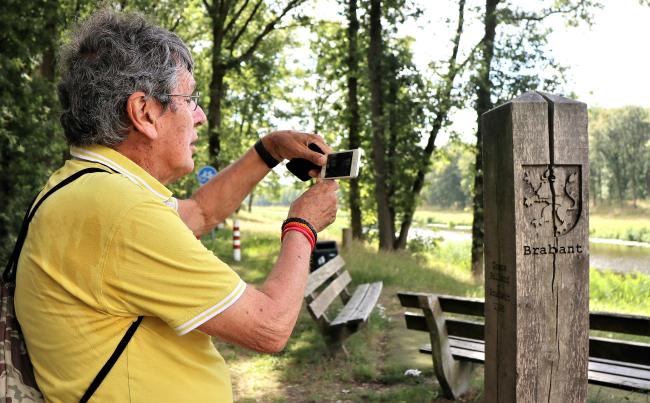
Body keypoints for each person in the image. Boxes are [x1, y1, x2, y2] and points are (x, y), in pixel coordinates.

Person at [14, 9, 338, 403]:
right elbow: (269, 327)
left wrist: (268, 151)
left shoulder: (83, 186)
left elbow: (200, 213)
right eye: (190, 98)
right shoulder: (123, 213)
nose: (199, 116)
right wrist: (303, 226)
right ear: (144, 112)